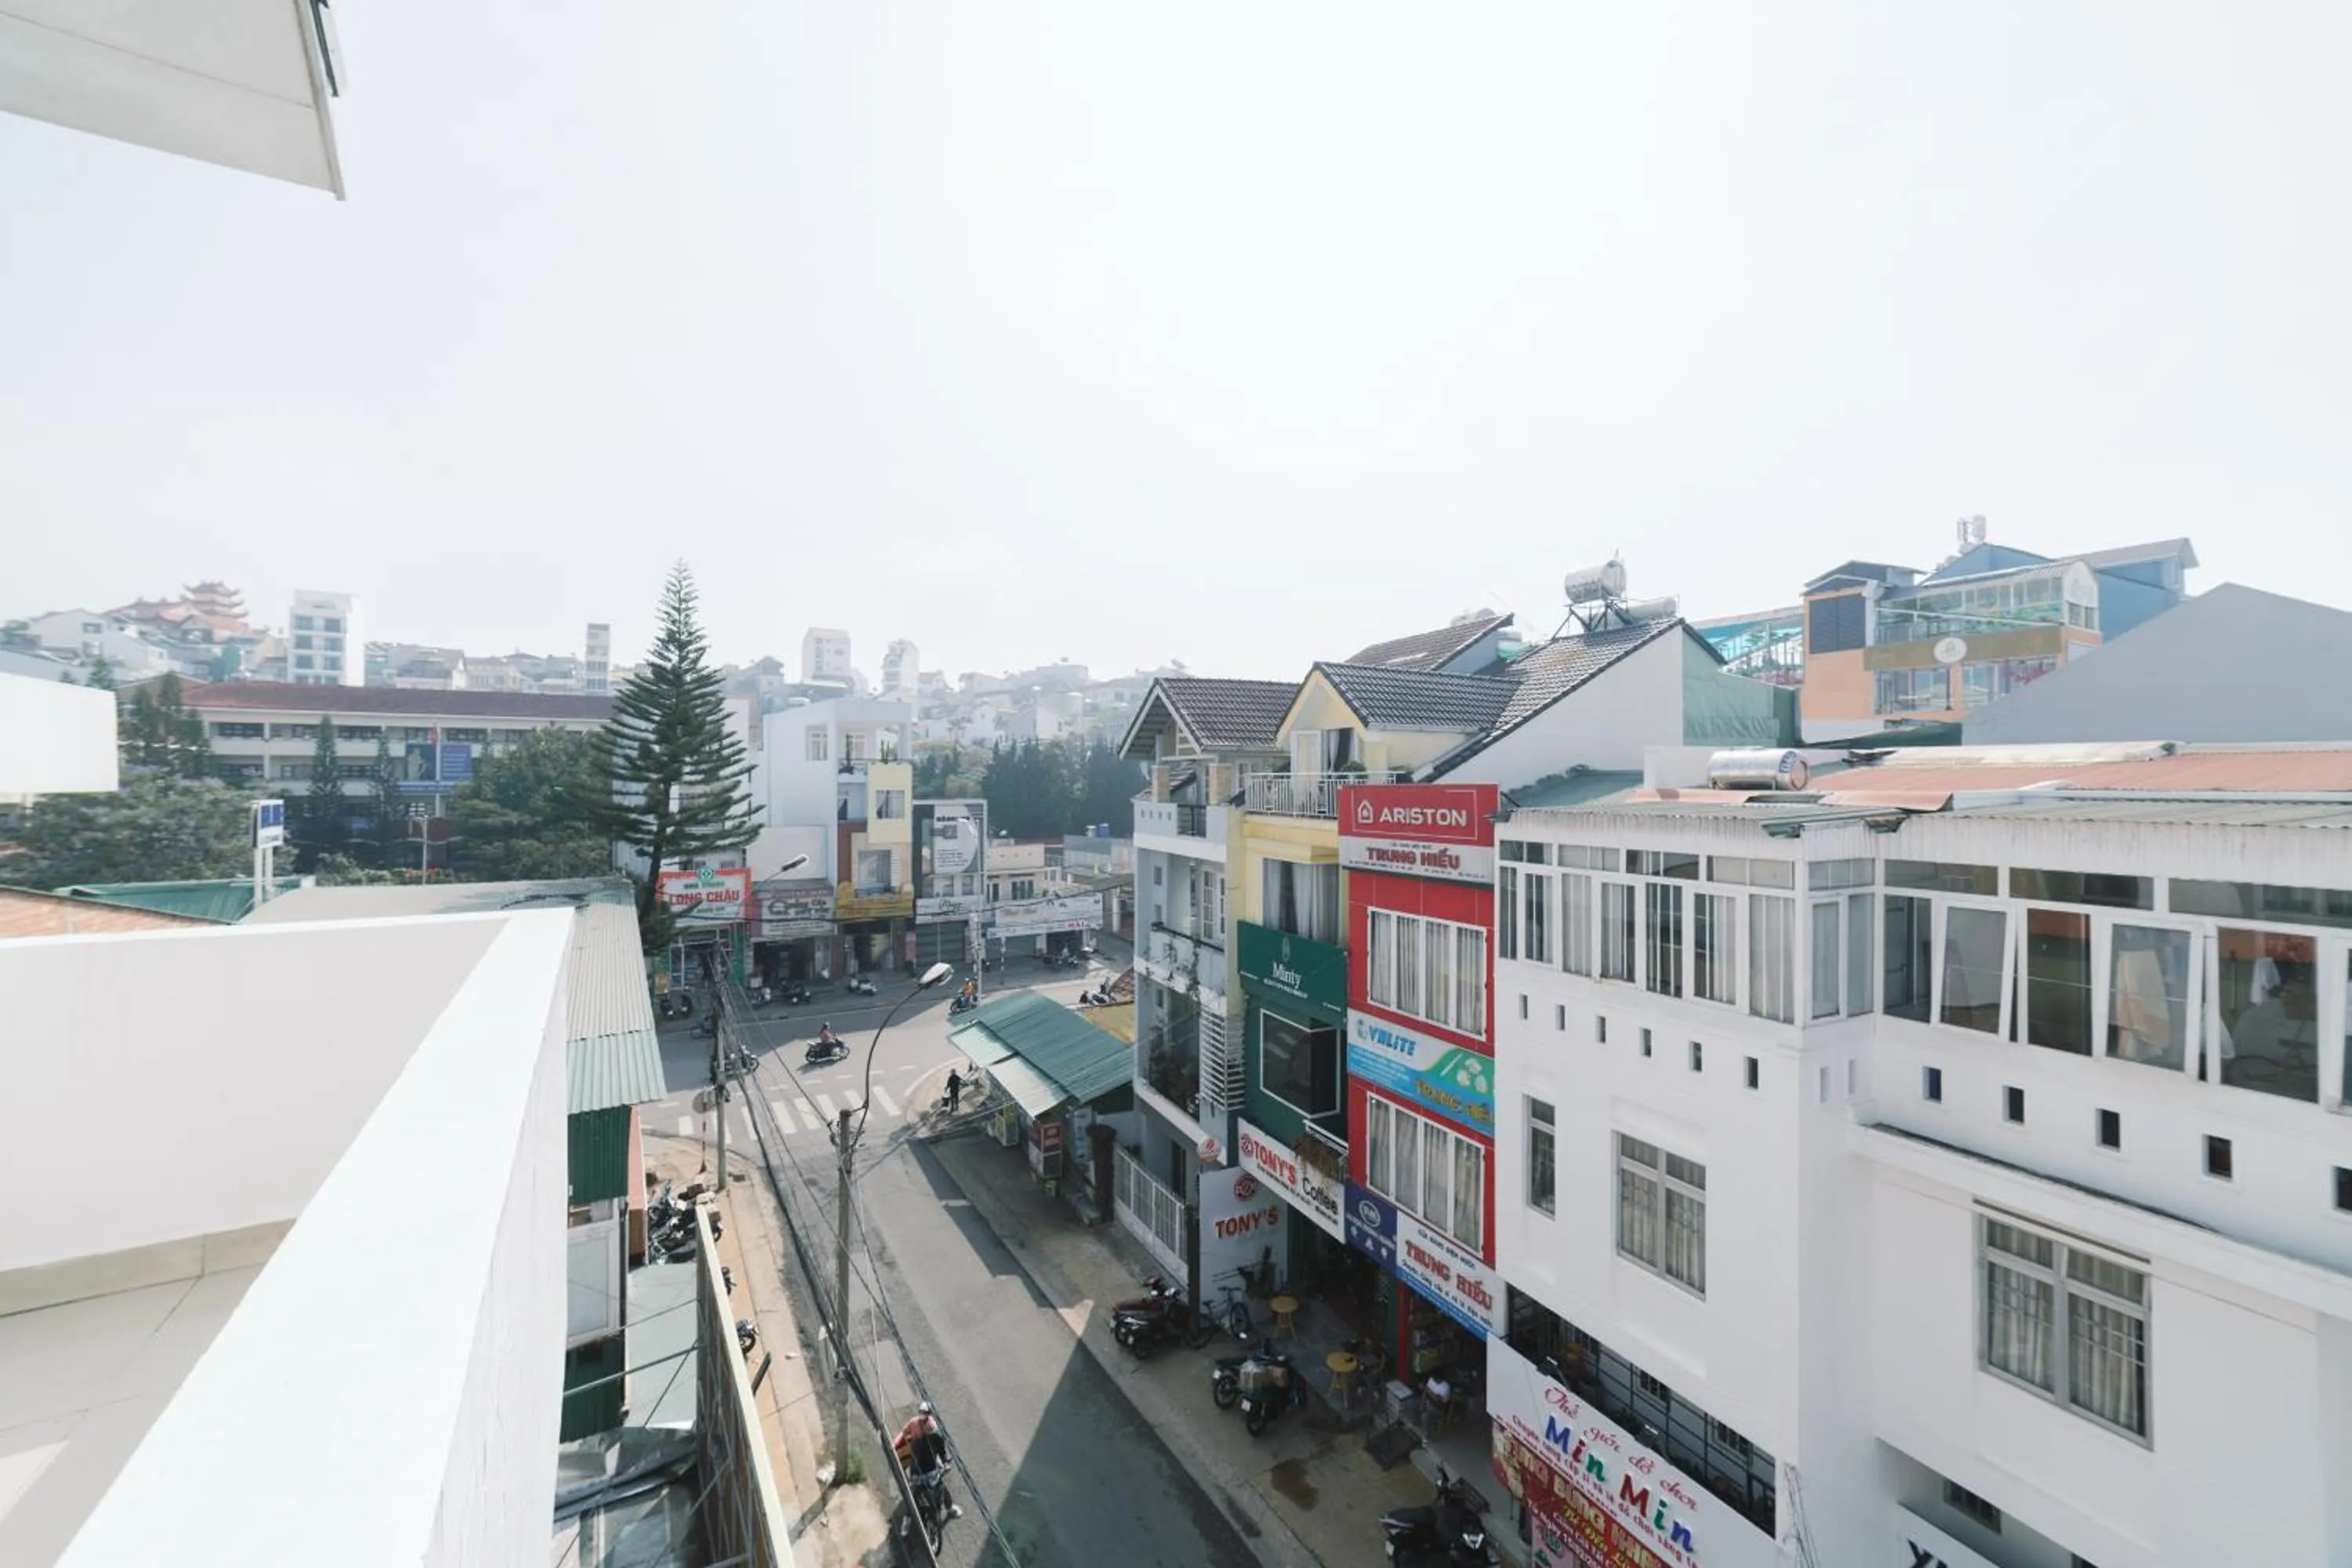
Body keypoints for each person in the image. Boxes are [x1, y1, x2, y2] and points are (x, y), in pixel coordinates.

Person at [893, 1402, 961, 1518]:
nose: (922, 1415)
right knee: (913, 1492)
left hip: (930, 1456)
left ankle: (950, 1508)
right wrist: (894, 1444)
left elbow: (938, 1445)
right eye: (921, 1412)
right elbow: (904, 1432)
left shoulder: (932, 1425)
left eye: (925, 1413)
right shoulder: (914, 1423)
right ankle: (908, 1520)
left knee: (941, 1486)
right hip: (916, 1455)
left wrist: (944, 1460)